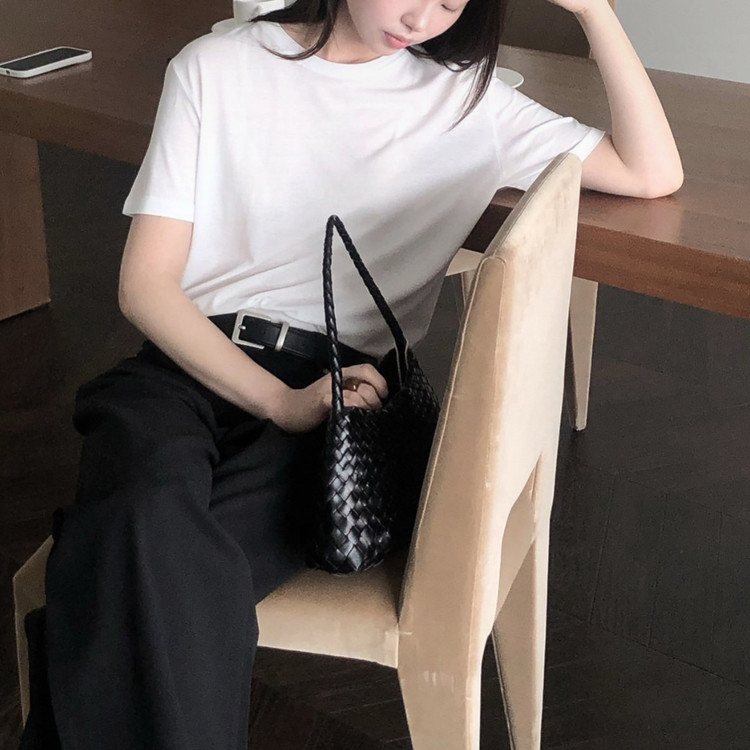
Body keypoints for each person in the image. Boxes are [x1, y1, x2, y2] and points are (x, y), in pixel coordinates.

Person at [18, 0, 682, 748]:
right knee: (142, 528)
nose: (423, 17)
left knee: (129, 565)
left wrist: (595, 11)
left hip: (341, 397)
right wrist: (278, 400)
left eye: (451, 2)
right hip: (183, 366)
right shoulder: (218, 68)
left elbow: (651, 170)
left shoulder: (472, 104)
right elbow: (146, 287)